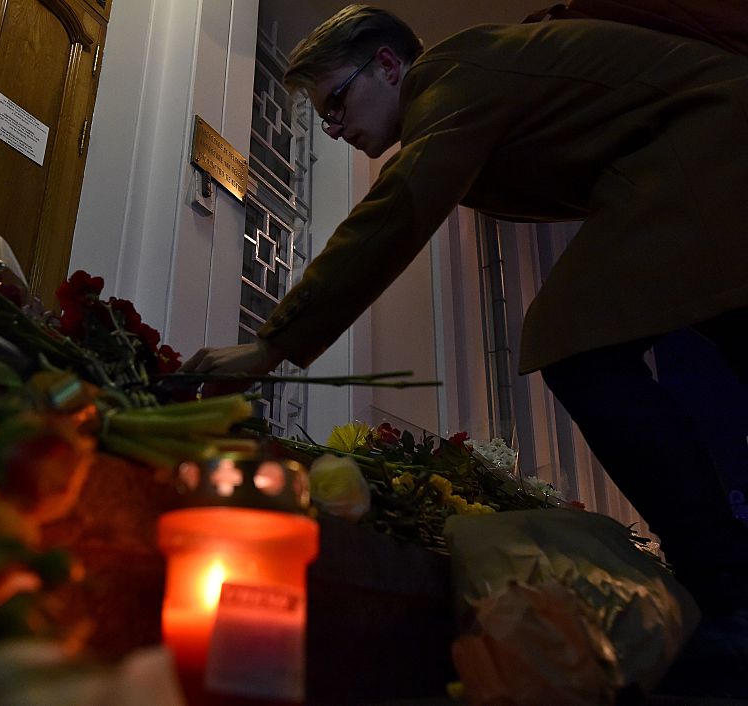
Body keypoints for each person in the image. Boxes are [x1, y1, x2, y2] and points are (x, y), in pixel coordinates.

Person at [181, 3, 748, 694]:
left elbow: (401, 204)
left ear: (389, 64)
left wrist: (270, 346)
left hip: (716, 138)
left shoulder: (451, 75)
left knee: (576, 340)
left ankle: (730, 599)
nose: (332, 128)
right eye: (324, 116)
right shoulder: (467, 84)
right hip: (712, 146)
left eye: (336, 101)